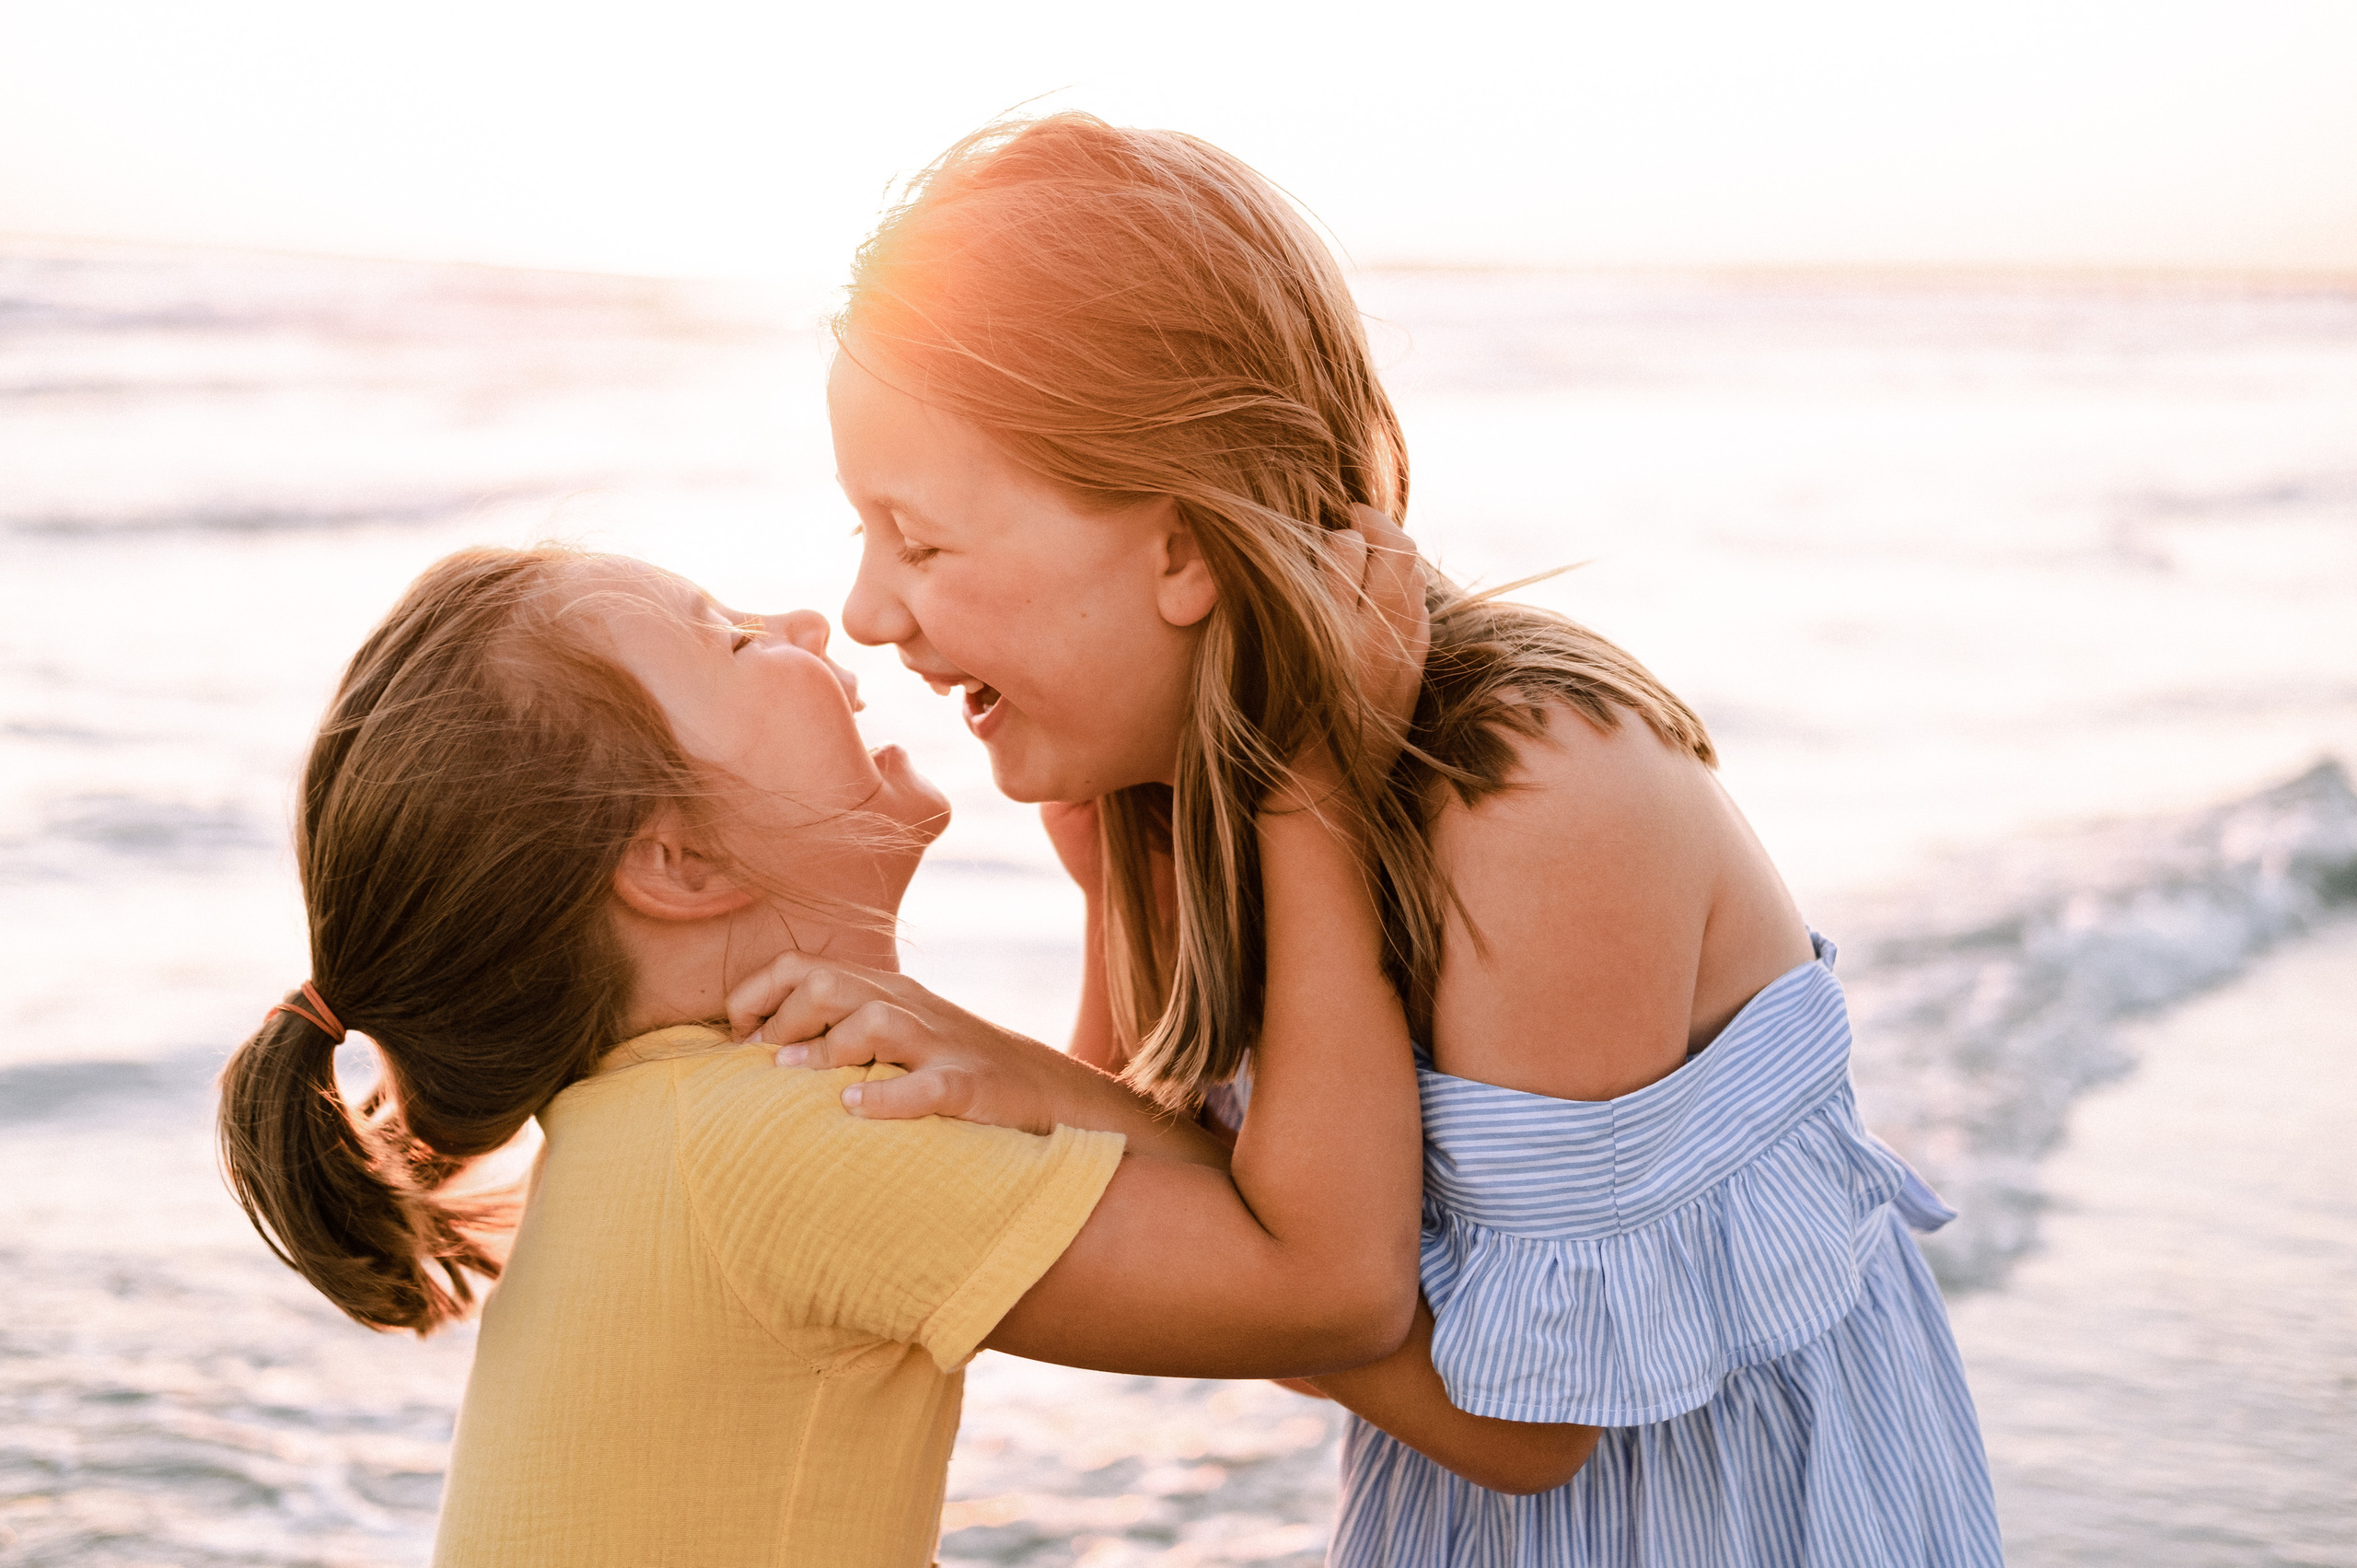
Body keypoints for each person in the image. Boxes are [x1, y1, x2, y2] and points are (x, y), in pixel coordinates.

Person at [772, 111, 2004, 1564]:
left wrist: (1303, 821)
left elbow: (1523, 1423)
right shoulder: (1150, 793)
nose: (865, 609)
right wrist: (1114, 896)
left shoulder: (1540, 799)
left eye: (917, 539)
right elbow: (1175, 1224)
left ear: (1180, 548)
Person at [214, 536, 1429, 1567]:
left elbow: (1126, 1200)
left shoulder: (679, 1122)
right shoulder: (784, 1140)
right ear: (677, 863)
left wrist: (1116, 895)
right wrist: (1318, 788)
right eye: (737, 643)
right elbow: (1330, 1294)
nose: (805, 618)